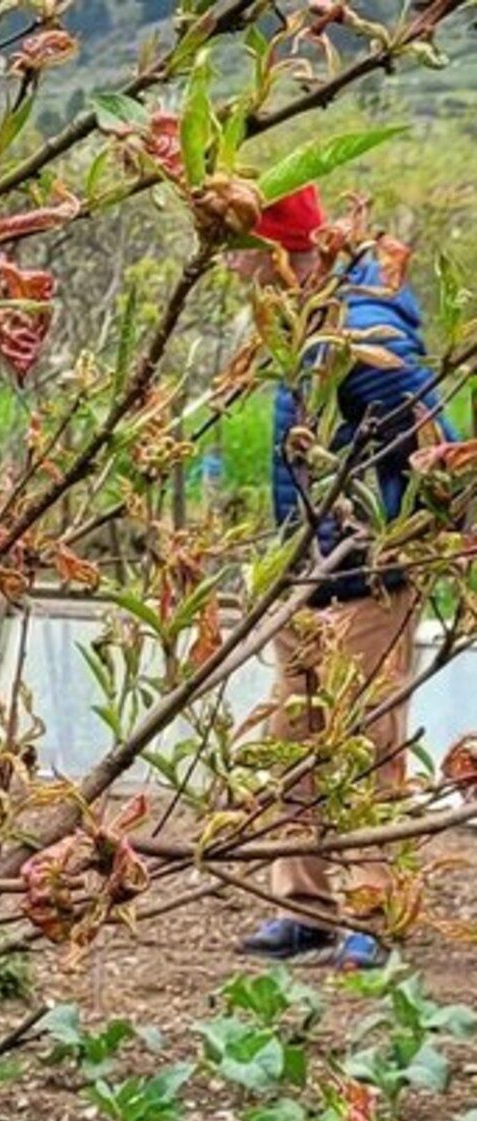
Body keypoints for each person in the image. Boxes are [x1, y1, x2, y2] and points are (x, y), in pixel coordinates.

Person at [227, 185, 454, 970]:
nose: (230, 266)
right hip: (310, 569)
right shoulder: (304, 325)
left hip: (369, 571)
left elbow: (438, 443)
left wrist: (391, 526)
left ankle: (371, 913)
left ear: (278, 253)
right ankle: (304, 907)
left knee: (363, 742)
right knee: (295, 735)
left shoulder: (362, 330)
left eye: (241, 251)